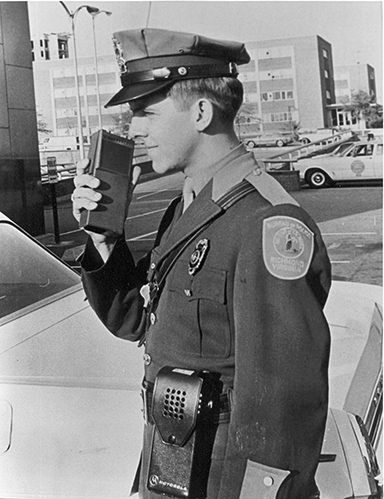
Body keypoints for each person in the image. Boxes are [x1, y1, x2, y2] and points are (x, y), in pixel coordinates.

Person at [72, 28, 331, 499]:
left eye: (145, 112)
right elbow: (134, 320)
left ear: (201, 111)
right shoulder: (190, 205)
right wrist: (103, 234)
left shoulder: (266, 223)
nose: (133, 131)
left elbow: (283, 407)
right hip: (172, 468)